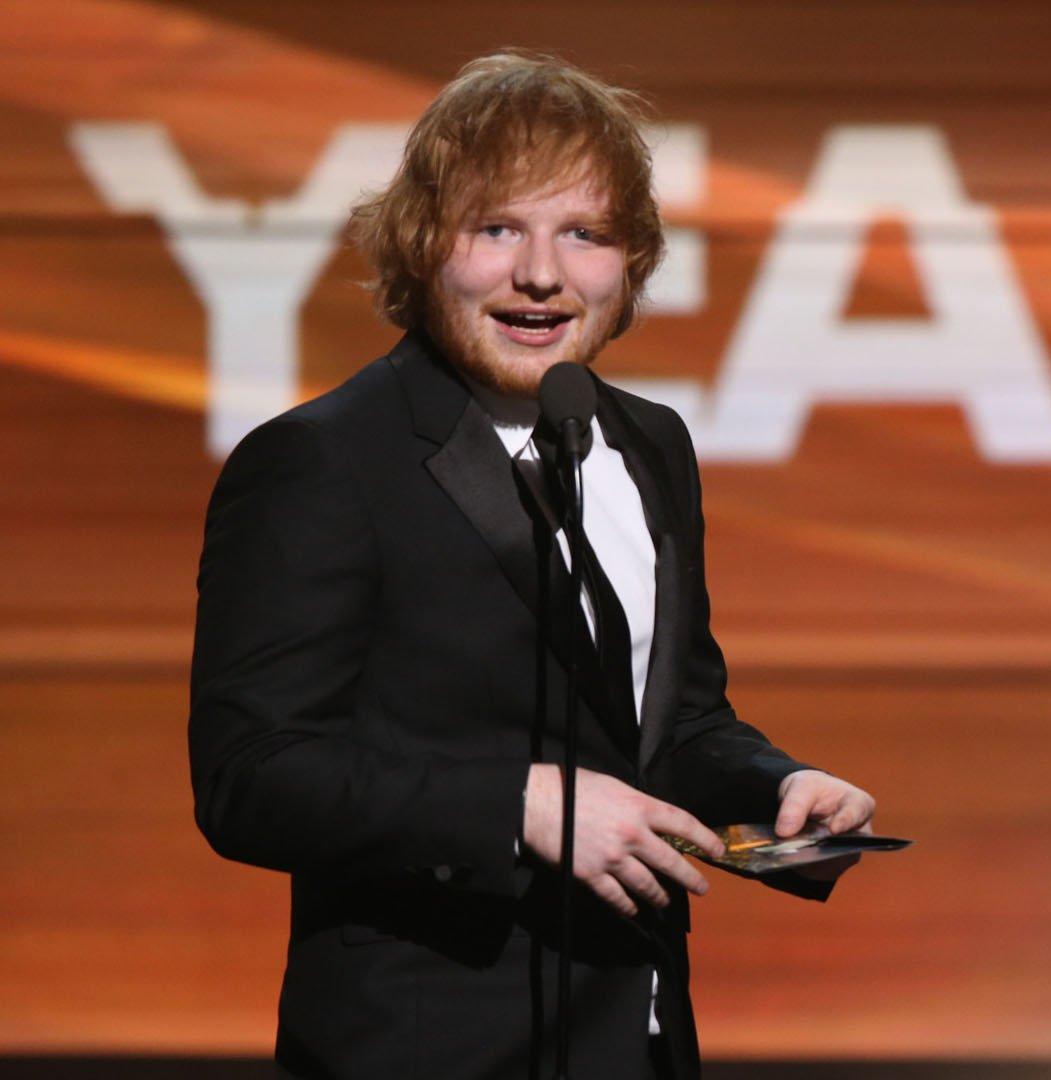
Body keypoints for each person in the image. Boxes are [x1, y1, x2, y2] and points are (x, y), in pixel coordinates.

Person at [188, 52, 876, 1079]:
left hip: (636, 1038)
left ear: (630, 263)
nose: (543, 275)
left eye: (585, 235)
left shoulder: (651, 445)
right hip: (426, 1049)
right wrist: (517, 805)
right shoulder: (324, 461)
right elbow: (252, 778)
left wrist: (779, 787)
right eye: (498, 228)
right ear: (423, 245)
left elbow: (666, 720)